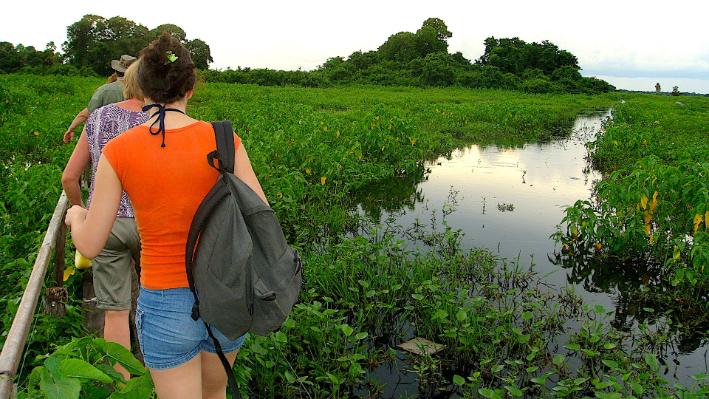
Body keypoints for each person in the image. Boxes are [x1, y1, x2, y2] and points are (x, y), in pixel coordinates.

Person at [65, 33, 268, 399]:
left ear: (142, 88)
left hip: (165, 301)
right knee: (216, 393)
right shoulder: (225, 139)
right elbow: (260, 216)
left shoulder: (119, 150)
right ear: (190, 88)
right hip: (224, 291)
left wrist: (76, 216)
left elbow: (92, 244)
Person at [61, 59, 149, 382]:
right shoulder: (161, 120)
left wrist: (81, 211)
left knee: (114, 312)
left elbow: (70, 177)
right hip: (150, 226)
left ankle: (122, 384)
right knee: (156, 300)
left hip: (107, 225)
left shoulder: (98, 118)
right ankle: (160, 378)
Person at [63, 55, 137, 144]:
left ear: (116, 71)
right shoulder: (143, 91)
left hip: (107, 141)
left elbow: (85, 113)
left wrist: (71, 129)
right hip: (134, 139)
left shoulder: (104, 90)